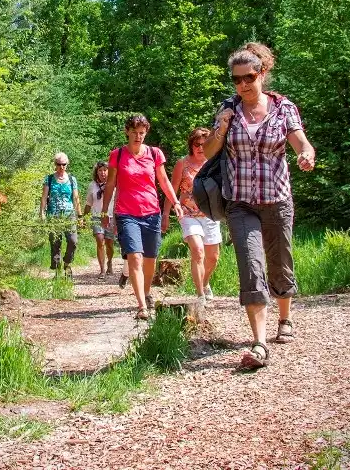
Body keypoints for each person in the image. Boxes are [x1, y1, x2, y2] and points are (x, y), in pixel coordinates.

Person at [202, 42, 315, 370]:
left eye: (248, 77)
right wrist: (221, 127)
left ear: (262, 73)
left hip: (277, 200)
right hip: (240, 203)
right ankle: (259, 342)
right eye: (236, 80)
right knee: (251, 267)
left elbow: (299, 140)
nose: (242, 85)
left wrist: (305, 154)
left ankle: (285, 318)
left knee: (279, 264)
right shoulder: (228, 109)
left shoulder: (283, 108)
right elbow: (209, 152)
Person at [101, 114, 183, 320]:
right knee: (134, 257)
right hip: (126, 213)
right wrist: (105, 211)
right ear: (127, 132)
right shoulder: (117, 155)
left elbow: (163, 181)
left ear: (146, 133)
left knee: (149, 259)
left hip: (151, 212)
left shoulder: (155, 154)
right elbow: (110, 185)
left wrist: (176, 203)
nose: (138, 137)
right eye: (134, 132)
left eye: (142, 133)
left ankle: (146, 293)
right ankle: (141, 306)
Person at [163, 127, 222, 304]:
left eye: (204, 144)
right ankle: (200, 295)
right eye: (197, 144)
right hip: (188, 213)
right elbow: (171, 190)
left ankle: (204, 282)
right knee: (197, 250)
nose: (200, 148)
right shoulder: (183, 163)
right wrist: (166, 213)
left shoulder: (214, 162)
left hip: (210, 213)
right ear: (191, 145)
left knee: (213, 257)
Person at [39, 152, 81, 276]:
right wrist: (42, 213)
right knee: (55, 243)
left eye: (64, 164)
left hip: (69, 214)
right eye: (59, 164)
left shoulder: (72, 179)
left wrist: (80, 216)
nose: (61, 167)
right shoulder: (49, 179)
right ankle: (57, 270)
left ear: (67, 164)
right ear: (55, 164)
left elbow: (76, 198)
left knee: (73, 241)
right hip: (53, 214)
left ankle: (67, 263)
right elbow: (44, 197)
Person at [83, 161, 117, 278]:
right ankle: (102, 269)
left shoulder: (114, 184)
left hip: (111, 216)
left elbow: (118, 202)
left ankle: (110, 262)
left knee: (109, 243)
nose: (102, 173)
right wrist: (84, 218)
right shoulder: (92, 185)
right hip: (97, 216)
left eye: (105, 170)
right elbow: (88, 203)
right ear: (96, 172)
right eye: (100, 170)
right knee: (99, 239)